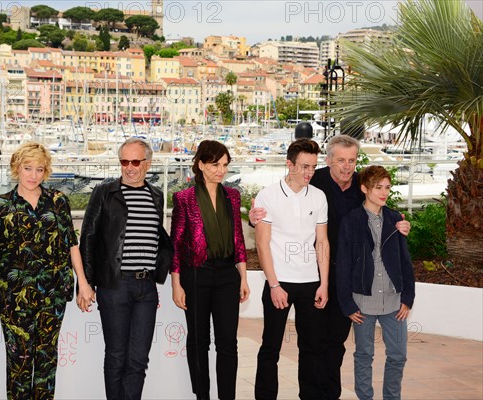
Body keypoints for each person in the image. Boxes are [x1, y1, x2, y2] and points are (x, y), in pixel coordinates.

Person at [250, 135, 411, 399]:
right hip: (311, 276)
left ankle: (328, 394)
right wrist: (254, 220)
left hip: (342, 280)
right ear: (329, 161)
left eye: (352, 161)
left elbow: (379, 204)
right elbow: (274, 221)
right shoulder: (316, 180)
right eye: (340, 161)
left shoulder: (359, 183)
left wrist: (399, 222)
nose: (346, 167)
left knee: (333, 344)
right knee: (291, 344)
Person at [0, 142, 94, 399]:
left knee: (47, 361)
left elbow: (71, 243)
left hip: (54, 295)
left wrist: (83, 282)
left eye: (39, 169)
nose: (33, 175)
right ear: (16, 167)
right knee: (19, 363)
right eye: (27, 168)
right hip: (15, 299)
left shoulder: (58, 201)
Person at [79, 137, 173, 400]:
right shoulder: (105, 192)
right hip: (115, 285)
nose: (129, 167)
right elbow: (88, 237)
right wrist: (85, 284)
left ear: (148, 163)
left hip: (146, 288)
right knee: (117, 355)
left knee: (139, 359)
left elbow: (157, 236)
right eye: (124, 161)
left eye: (135, 161)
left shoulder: (156, 194)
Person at [170, 140, 250, 400]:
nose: (221, 171)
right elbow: (177, 243)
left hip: (228, 274)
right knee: (198, 341)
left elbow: (238, 238)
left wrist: (243, 277)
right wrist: (176, 284)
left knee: (228, 343)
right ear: (201, 165)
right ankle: (201, 396)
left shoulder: (233, 196)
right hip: (196, 274)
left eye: (225, 165)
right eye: (215, 164)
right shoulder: (184, 198)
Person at [253, 138, 330, 400]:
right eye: (304, 166)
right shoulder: (267, 195)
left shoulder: (319, 196)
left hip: (311, 283)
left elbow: (322, 241)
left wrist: (324, 283)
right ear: (290, 164)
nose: (309, 173)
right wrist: (274, 284)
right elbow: (262, 244)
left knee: (312, 347)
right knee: (270, 347)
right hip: (280, 282)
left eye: (313, 167)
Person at [336, 165, 415, 400]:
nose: (384, 192)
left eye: (387, 188)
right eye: (378, 187)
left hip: (393, 300)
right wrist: (347, 303)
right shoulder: (351, 221)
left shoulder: (395, 219)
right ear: (364, 188)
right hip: (362, 303)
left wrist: (408, 297)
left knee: (398, 355)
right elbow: (343, 264)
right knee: (363, 355)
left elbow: (404, 262)